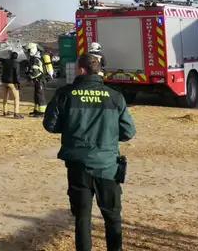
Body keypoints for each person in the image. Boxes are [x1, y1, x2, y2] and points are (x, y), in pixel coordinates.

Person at [42, 53, 136, 251]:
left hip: (78, 165)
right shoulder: (115, 97)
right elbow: (128, 132)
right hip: (108, 166)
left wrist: (70, 128)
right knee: (112, 216)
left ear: (81, 70)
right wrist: (107, 135)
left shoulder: (65, 94)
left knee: (82, 217)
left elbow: (50, 125)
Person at [0, 51, 23, 119]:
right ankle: (16, 113)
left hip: (4, 81)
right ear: (16, 57)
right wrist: (18, 84)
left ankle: (5, 112)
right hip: (12, 83)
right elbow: (17, 75)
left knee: (5, 97)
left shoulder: (6, 61)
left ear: (10, 56)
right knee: (16, 98)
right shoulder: (16, 64)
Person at [24, 42, 46, 118]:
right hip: (37, 80)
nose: (28, 52)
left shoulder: (36, 59)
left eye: (29, 50)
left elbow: (36, 72)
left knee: (40, 96)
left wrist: (30, 77)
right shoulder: (34, 58)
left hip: (40, 80)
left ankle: (42, 112)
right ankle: (36, 111)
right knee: (36, 95)